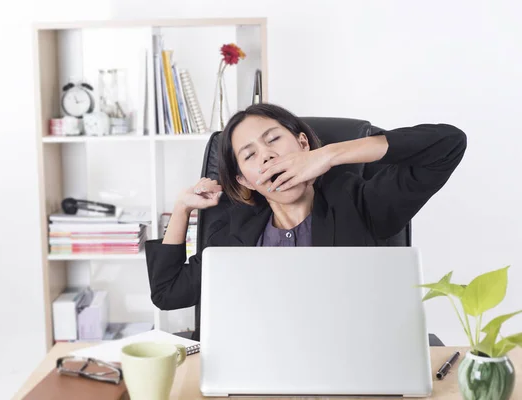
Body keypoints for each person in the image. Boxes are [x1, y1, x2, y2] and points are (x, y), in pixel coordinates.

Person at [145, 103, 467, 338]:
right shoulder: (234, 235)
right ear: (244, 180)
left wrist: (328, 155)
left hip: (350, 372)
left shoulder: (360, 203)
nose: (267, 156)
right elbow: (168, 293)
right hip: (259, 377)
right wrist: (182, 209)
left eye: (273, 140)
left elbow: (448, 144)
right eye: (250, 155)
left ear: (302, 145)